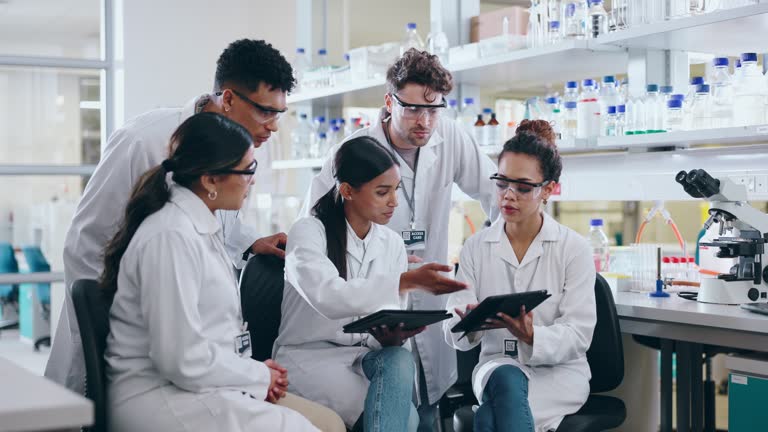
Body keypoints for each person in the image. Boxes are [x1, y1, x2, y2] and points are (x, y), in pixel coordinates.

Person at [46, 39, 292, 395]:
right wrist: (119, 320)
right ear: (229, 99)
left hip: (188, 347)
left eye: (279, 114)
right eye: (266, 112)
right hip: (133, 337)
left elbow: (218, 221)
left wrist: (250, 241)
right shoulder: (144, 140)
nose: (273, 127)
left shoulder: (244, 147)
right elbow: (87, 242)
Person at [103, 112, 343, 432]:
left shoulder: (202, 225)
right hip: (159, 397)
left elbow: (210, 334)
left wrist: (251, 371)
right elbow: (180, 358)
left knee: (330, 424)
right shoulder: (170, 236)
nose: (252, 180)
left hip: (197, 384)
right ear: (211, 180)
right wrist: (256, 375)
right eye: (247, 170)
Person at [302, 49, 498, 431]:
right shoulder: (354, 151)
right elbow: (317, 223)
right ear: (389, 102)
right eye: (412, 109)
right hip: (370, 299)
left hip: (431, 290)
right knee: (395, 400)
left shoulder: (451, 137)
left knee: (429, 403)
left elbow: (496, 196)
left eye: (435, 109)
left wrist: (485, 265)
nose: (425, 121)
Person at [276, 137, 467, 431]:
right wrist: (404, 281)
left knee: (400, 359)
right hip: (312, 359)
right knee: (408, 419)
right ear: (347, 191)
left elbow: (386, 314)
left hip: (363, 357)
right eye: (382, 192)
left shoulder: (390, 242)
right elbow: (328, 296)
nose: (394, 201)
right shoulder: (308, 232)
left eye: (396, 189)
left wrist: (392, 337)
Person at [443, 120, 597, 432]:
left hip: (558, 375)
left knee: (489, 416)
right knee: (505, 380)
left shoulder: (574, 248)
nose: (508, 196)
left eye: (523, 188)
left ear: (548, 190)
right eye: (501, 184)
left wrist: (532, 336)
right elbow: (453, 330)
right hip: (496, 365)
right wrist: (467, 322)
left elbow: (579, 335)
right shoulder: (475, 248)